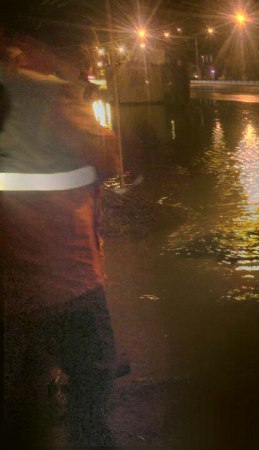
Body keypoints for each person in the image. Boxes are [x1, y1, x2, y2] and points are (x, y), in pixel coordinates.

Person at [1, 33, 121, 447]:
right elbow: (111, 157)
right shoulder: (48, 94)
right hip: (63, 277)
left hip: (10, 287)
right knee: (93, 378)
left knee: (17, 403)